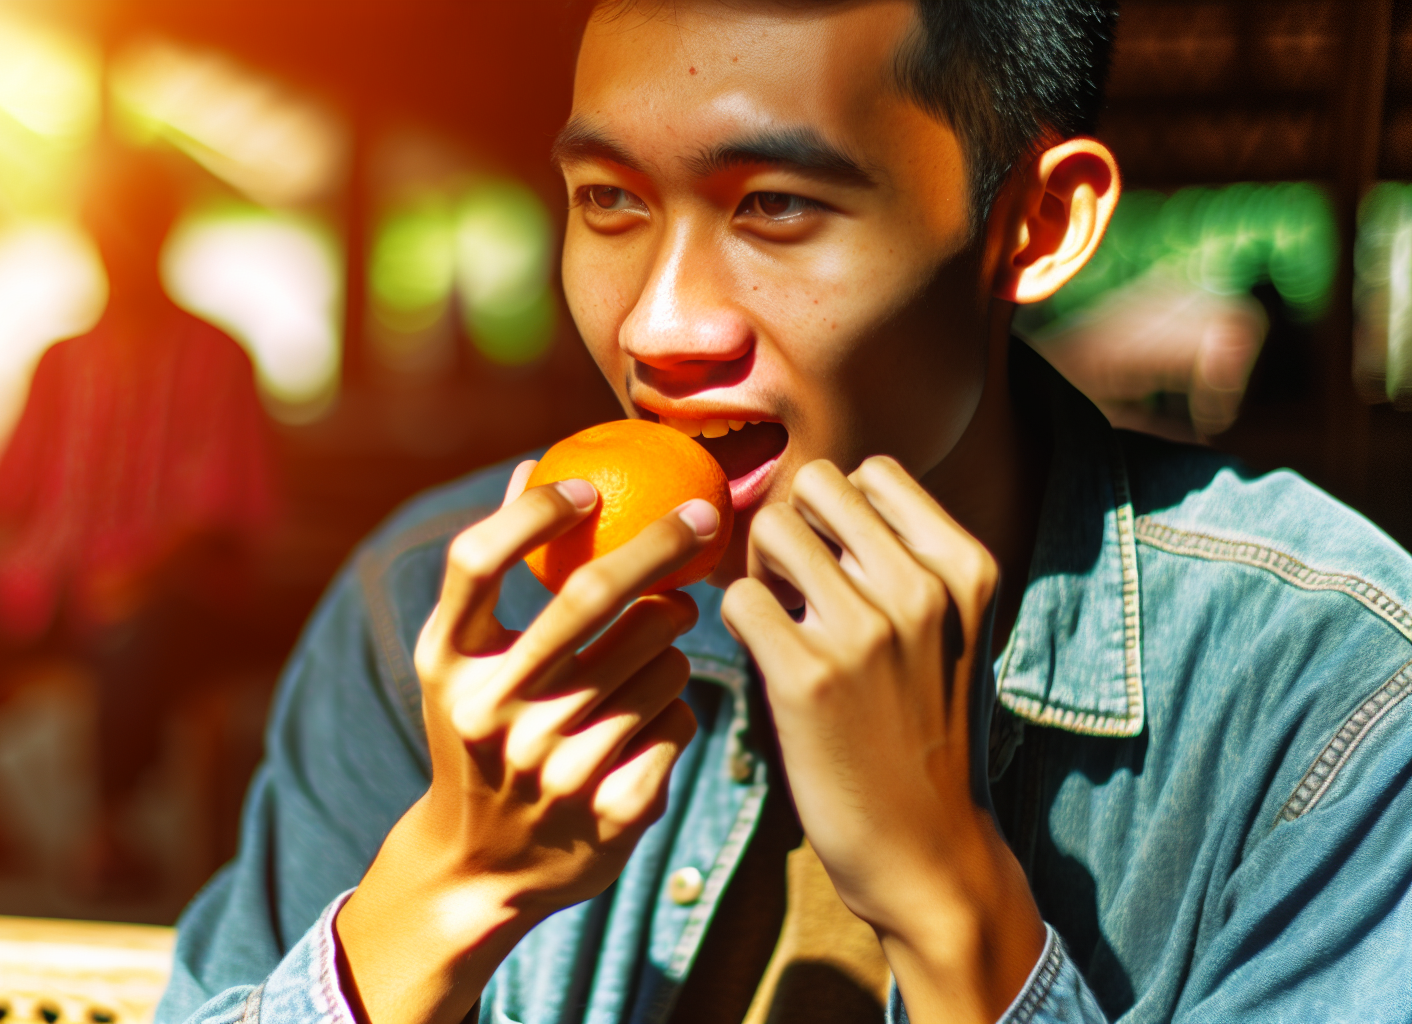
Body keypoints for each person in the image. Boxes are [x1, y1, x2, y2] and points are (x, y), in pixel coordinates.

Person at [160, 1, 1412, 1021]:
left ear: (1031, 222)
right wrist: (448, 882)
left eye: (775, 207)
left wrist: (947, 900)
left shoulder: (1331, 688)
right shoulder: (442, 613)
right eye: (607, 200)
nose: (658, 326)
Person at [0, 139, 277, 899]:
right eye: (102, 221)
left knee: (137, 628)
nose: (115, 237)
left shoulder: (218, 357)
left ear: (163, 230)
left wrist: (145, 571)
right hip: (42, 589)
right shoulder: (60, 363)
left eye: (133, 219)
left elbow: (226, 511)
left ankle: (108, 830)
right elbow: (4, 494)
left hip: (170, 599)